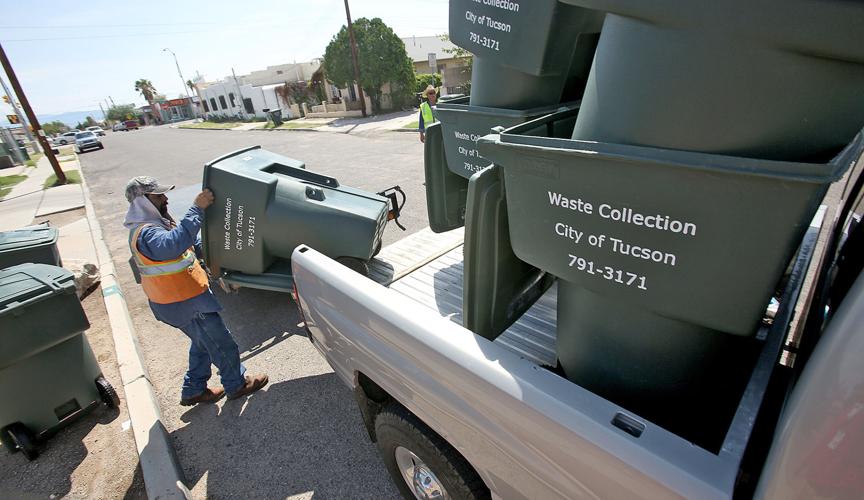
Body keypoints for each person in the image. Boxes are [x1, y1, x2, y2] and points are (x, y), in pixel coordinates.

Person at [123, 176, 268, 406]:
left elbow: (187, 247)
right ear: (142, 201)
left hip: (181, 300)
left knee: (202, 344)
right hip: (182, 301)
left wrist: (217, 252)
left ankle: (193, 389)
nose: (165, 198)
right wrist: (197, 209)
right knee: (221, 342)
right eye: (159, 196)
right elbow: (173, 245)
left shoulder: (158, 225)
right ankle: (236, 384)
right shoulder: (146, 233)